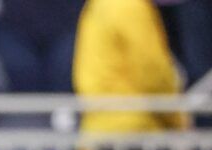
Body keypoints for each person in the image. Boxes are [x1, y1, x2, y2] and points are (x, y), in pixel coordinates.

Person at [74, 0, 186, 135]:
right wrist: (178, 121)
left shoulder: (97, 5)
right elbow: (153, 74)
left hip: (98, 128)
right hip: (135, 132)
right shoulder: (130, 7)